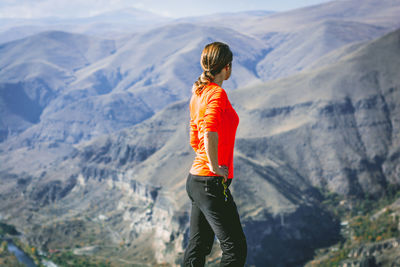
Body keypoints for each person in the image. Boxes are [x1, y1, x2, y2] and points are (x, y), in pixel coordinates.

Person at [183, 42, 247, 266]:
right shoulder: (216, 94)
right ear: (227, 67)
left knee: (198, 246)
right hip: (210, 181)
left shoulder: (198, 93)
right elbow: (209, 132)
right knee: (235, 248)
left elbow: (195, 139)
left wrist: (205, 162)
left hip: (196, 181)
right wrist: (215, 166)